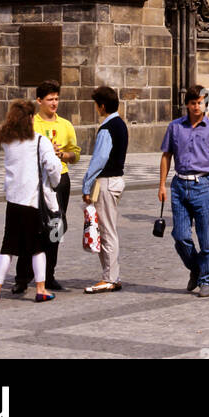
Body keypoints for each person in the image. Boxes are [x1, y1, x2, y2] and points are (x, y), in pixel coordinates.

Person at [0, 99, 62, 300]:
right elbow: (54, 168)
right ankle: (40, 289)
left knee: (8, 247)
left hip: (13, 202)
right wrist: (54, 183)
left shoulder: (7, 142)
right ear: (29, 118)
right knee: (37, 248)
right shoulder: (39, 141)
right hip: (32, 201)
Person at [159, 85, 209, 296]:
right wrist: (162, 184)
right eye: (192, 103)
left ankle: (207, 279)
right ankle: (196, 268)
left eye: (200, 102)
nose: (196, 106)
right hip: (180, 185)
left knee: (205, 237)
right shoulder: (175, 127)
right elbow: (166, 156)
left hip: (204, 186)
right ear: (187, 105)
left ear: (205, 104)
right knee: (180, 236)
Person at [16, 81, 79, 292]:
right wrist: (43, 151)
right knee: (31, 227)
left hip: (60, 180)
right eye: (50, 99)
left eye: (57, 98)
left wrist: (62, 155)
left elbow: (76, 154)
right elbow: (21, 152)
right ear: (39, 101)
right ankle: (22, 277)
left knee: (55, 227)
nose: (54, 103)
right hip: (35, 180)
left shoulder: (65, 125)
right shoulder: (31, 124)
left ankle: (49, 274)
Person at [82, 85, 129, 293]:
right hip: (115, 180)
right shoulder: (120, 124)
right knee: (107, 228)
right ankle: (111, 275)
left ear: (101, 106)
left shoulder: (107, 127)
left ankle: (110, 277)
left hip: (107, 181)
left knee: (107, 229)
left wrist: (86, 184)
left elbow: (99, 159)